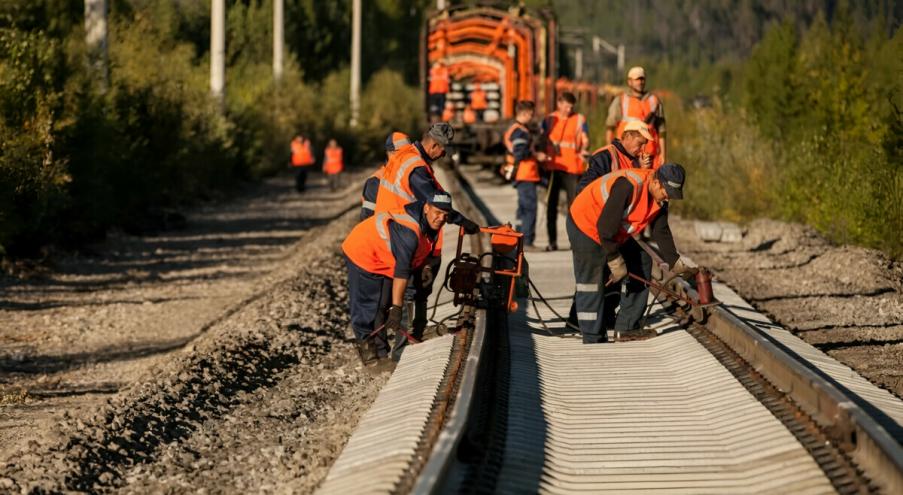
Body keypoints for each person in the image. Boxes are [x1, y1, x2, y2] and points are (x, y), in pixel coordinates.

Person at [376, 123, 480, 349]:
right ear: (434, 145)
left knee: (398, 291)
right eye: (442, 150)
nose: (443, 154)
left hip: (393, 230)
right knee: (407, 289)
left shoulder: (411, 158)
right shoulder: (417, 168)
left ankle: (411, 334)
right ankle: (401, 347)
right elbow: (436, 203)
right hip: (400, 233)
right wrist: (464, 222)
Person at [566, 164, 694, 343]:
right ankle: (593, 338)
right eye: (667, 192)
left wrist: (675, 263)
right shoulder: (628, 186)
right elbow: (604, 229)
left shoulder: (659, 198)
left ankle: (627, 328)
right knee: (592, 280)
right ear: (656, 182)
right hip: (585, 225)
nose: (667, 198)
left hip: (611, 231)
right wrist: (615, 260)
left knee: (642, 262)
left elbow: (661, 230)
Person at [342, 194, 452, 364]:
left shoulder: (429, 222)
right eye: (438, 212)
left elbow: (421, 255)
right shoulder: (409, 231)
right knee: (370, 305)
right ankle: (371, 356)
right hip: (364, 253)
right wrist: (397, 308)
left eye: (445, 215)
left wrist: (426, 267)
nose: (441, 218)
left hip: (385, 258)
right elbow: (402, 272)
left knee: (383, 302)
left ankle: (384, 350)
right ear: (426, 208)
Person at [541, 91, 589, 251]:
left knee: (574, 207)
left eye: (571, 107)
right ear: (559, 104)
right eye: (566, 106)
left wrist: (585, 146)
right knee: (551, 206)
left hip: (572, 167)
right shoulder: (548, 120)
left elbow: (584, 138)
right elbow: (541, 139)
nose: (569, 109)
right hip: (554, 167)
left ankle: (575, 241)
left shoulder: (580, 119)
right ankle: (552, 241)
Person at [502, 100, 547, 250]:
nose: (532, 117)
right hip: (526, 174)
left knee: (522, 209)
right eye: (531, 114)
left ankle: (520, 238)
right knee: (529, 208)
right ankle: (527, 241)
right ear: (525, 113)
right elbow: (520, 153)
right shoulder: (520, 131)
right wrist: (537, 156)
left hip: (522, 175)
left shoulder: (516, 129)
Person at [605, 66, 666, 168]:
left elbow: (662, 131)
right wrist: (610, 151)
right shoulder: (621, 100)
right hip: (625, 155)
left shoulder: (654, 100)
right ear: (629, 82)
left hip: (650, 155)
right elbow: (610, 127)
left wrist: (663, 154)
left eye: (642, 79)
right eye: (637, 79)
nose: (640, 82)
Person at [578, 120, 653, 194]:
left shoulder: (637, 161)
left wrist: (643, 170)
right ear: (628, 136)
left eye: (645, 144)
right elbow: (583, 190)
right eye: (640, 143)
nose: (643, 149)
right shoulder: (604, 156)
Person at [361, 132, 411, 220]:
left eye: (410, 153)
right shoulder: (375, 181)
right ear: (390, 154)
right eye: (403, 153)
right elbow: (367, 219)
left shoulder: (413, 175)